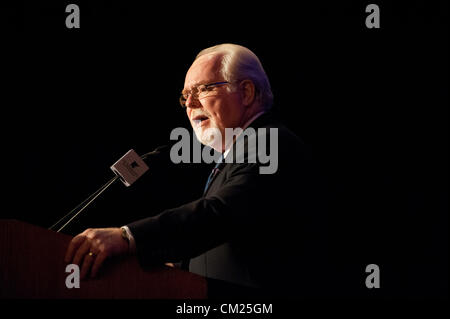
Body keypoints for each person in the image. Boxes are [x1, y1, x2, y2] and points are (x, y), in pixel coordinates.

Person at [65, 43, 328, 297]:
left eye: (202, 89)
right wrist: (176, 269)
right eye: (184, 96)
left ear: (246, 92)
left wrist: (127, 237)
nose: (189, 104)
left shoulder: (273, 144)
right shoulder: (238, 154)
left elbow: (220, 214)